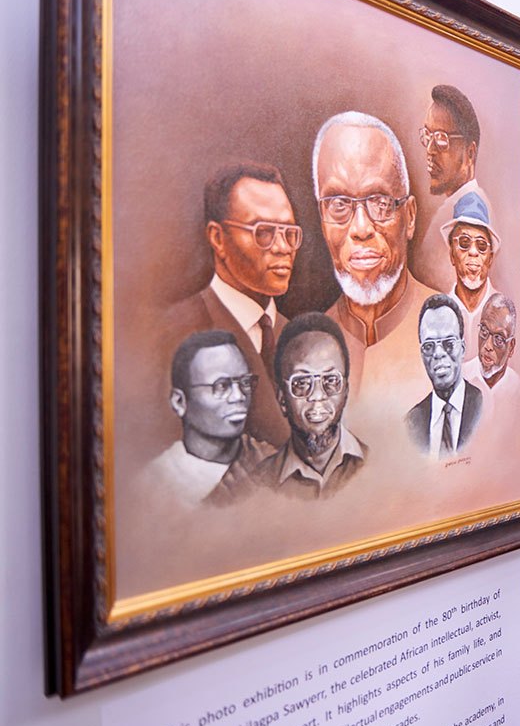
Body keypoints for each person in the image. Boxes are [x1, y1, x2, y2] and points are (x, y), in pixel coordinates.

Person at [311, 111, 437, 420]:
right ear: (322, 220)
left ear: (409, 217)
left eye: (380, 202)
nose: (361, 228)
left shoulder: (454, 334)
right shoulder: (308, 348)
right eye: (338, 205)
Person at [167, 163, 301, 445]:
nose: (283, 247)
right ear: (217, 238)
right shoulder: (173, 334)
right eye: (263, 232)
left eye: (289, 232)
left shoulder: (296, 339)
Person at [209, 313, 365, 502]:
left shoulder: (381, 464)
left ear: (346, 390)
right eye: (301, 383)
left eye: (331, 380)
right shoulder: (251, 482)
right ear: (282, 398)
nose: (317, 396)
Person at [142, 331, 271, 507]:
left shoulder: (269, 461)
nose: (239, 396)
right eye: (222, 386)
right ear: (179, 402)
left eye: (245, 383)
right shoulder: (154, 484)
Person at [411, 84, 491, 294]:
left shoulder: (469, 212)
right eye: (427, 136)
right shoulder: (451, 207)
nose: (430, 150)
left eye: (441, 139)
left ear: (470, 153)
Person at [404, 295, 483, 457]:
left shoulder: (484, 405)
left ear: (462, 348)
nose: (438, 353)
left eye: (448, 343)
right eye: (429, 346)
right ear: (421, 354)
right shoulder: (411, 423)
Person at [441, 192, 499, 360]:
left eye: (481, 246)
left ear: (490, 259)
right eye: (464, 243)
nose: (473, 252)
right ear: (452, 255)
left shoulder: (502, 312)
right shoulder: (440, 315)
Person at [462, 292, 520, 399]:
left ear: (511, 347)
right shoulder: (462, 377)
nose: (488, 346)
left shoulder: (518, 388)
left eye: (499, 339)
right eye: (484, 331)